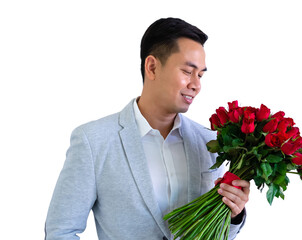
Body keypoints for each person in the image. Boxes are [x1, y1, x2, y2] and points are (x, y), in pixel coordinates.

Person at [45, 17, 250, 240]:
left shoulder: (209, 142)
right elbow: (61, 231)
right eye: (187, 71)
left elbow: (214, 234)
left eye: (200, 75)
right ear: (152, 67)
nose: (196, 85)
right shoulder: (93, 141)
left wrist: (233, 216)